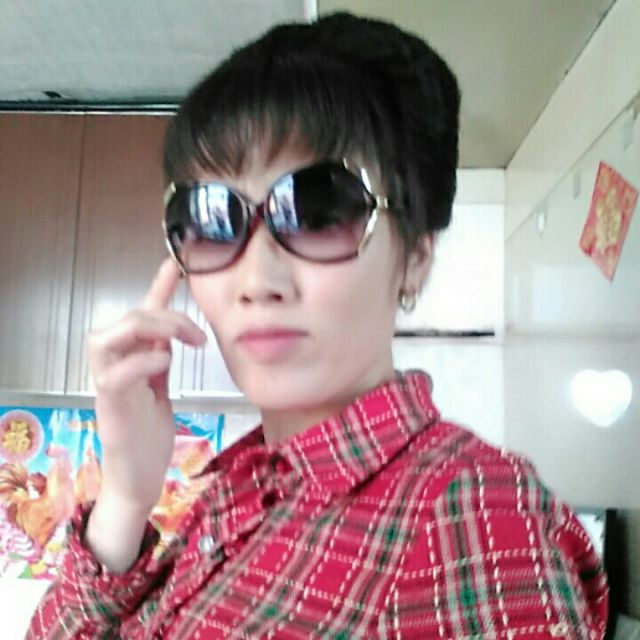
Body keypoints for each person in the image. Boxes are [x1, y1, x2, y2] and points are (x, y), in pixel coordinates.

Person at [28, 12, 608, 640]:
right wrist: (124, 496)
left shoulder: (474, 520)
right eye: (211, 217)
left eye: (320, 209)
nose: (256, 279)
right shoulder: (239, 491)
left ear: (416, 256)